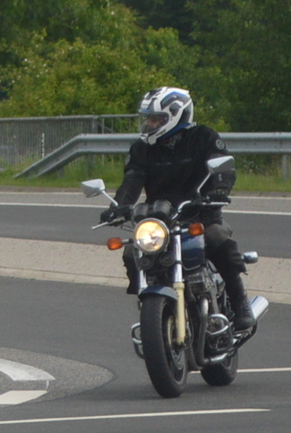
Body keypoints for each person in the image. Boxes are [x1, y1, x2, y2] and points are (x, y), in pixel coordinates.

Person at [106, 85, 255, 337]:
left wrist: (218, 191)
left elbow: (223, 169)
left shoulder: (203, 138)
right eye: (149, 119)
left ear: (176, 114)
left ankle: (240, 303)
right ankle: (148, 305)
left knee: (217, 238)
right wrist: (118, 206)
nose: (151, 124)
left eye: (157, 118)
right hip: (159, 218)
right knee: (133, 251)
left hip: (200, 213)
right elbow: (132, 181)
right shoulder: (141, 149)